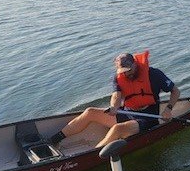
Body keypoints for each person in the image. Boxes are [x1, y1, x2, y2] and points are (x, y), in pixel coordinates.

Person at [50, 50, 180, 148]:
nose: (125, 74)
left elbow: (175, 91)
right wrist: (113, 107)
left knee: (117, 129)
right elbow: (116, 95)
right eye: (122, 71)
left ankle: (93, 155)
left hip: (147, 117)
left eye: (127, 70)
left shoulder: (154, 74)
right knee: (90, 111)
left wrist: (168, 109)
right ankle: (54, 139)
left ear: (135, 64)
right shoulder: (119, 77)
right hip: (127, 112)